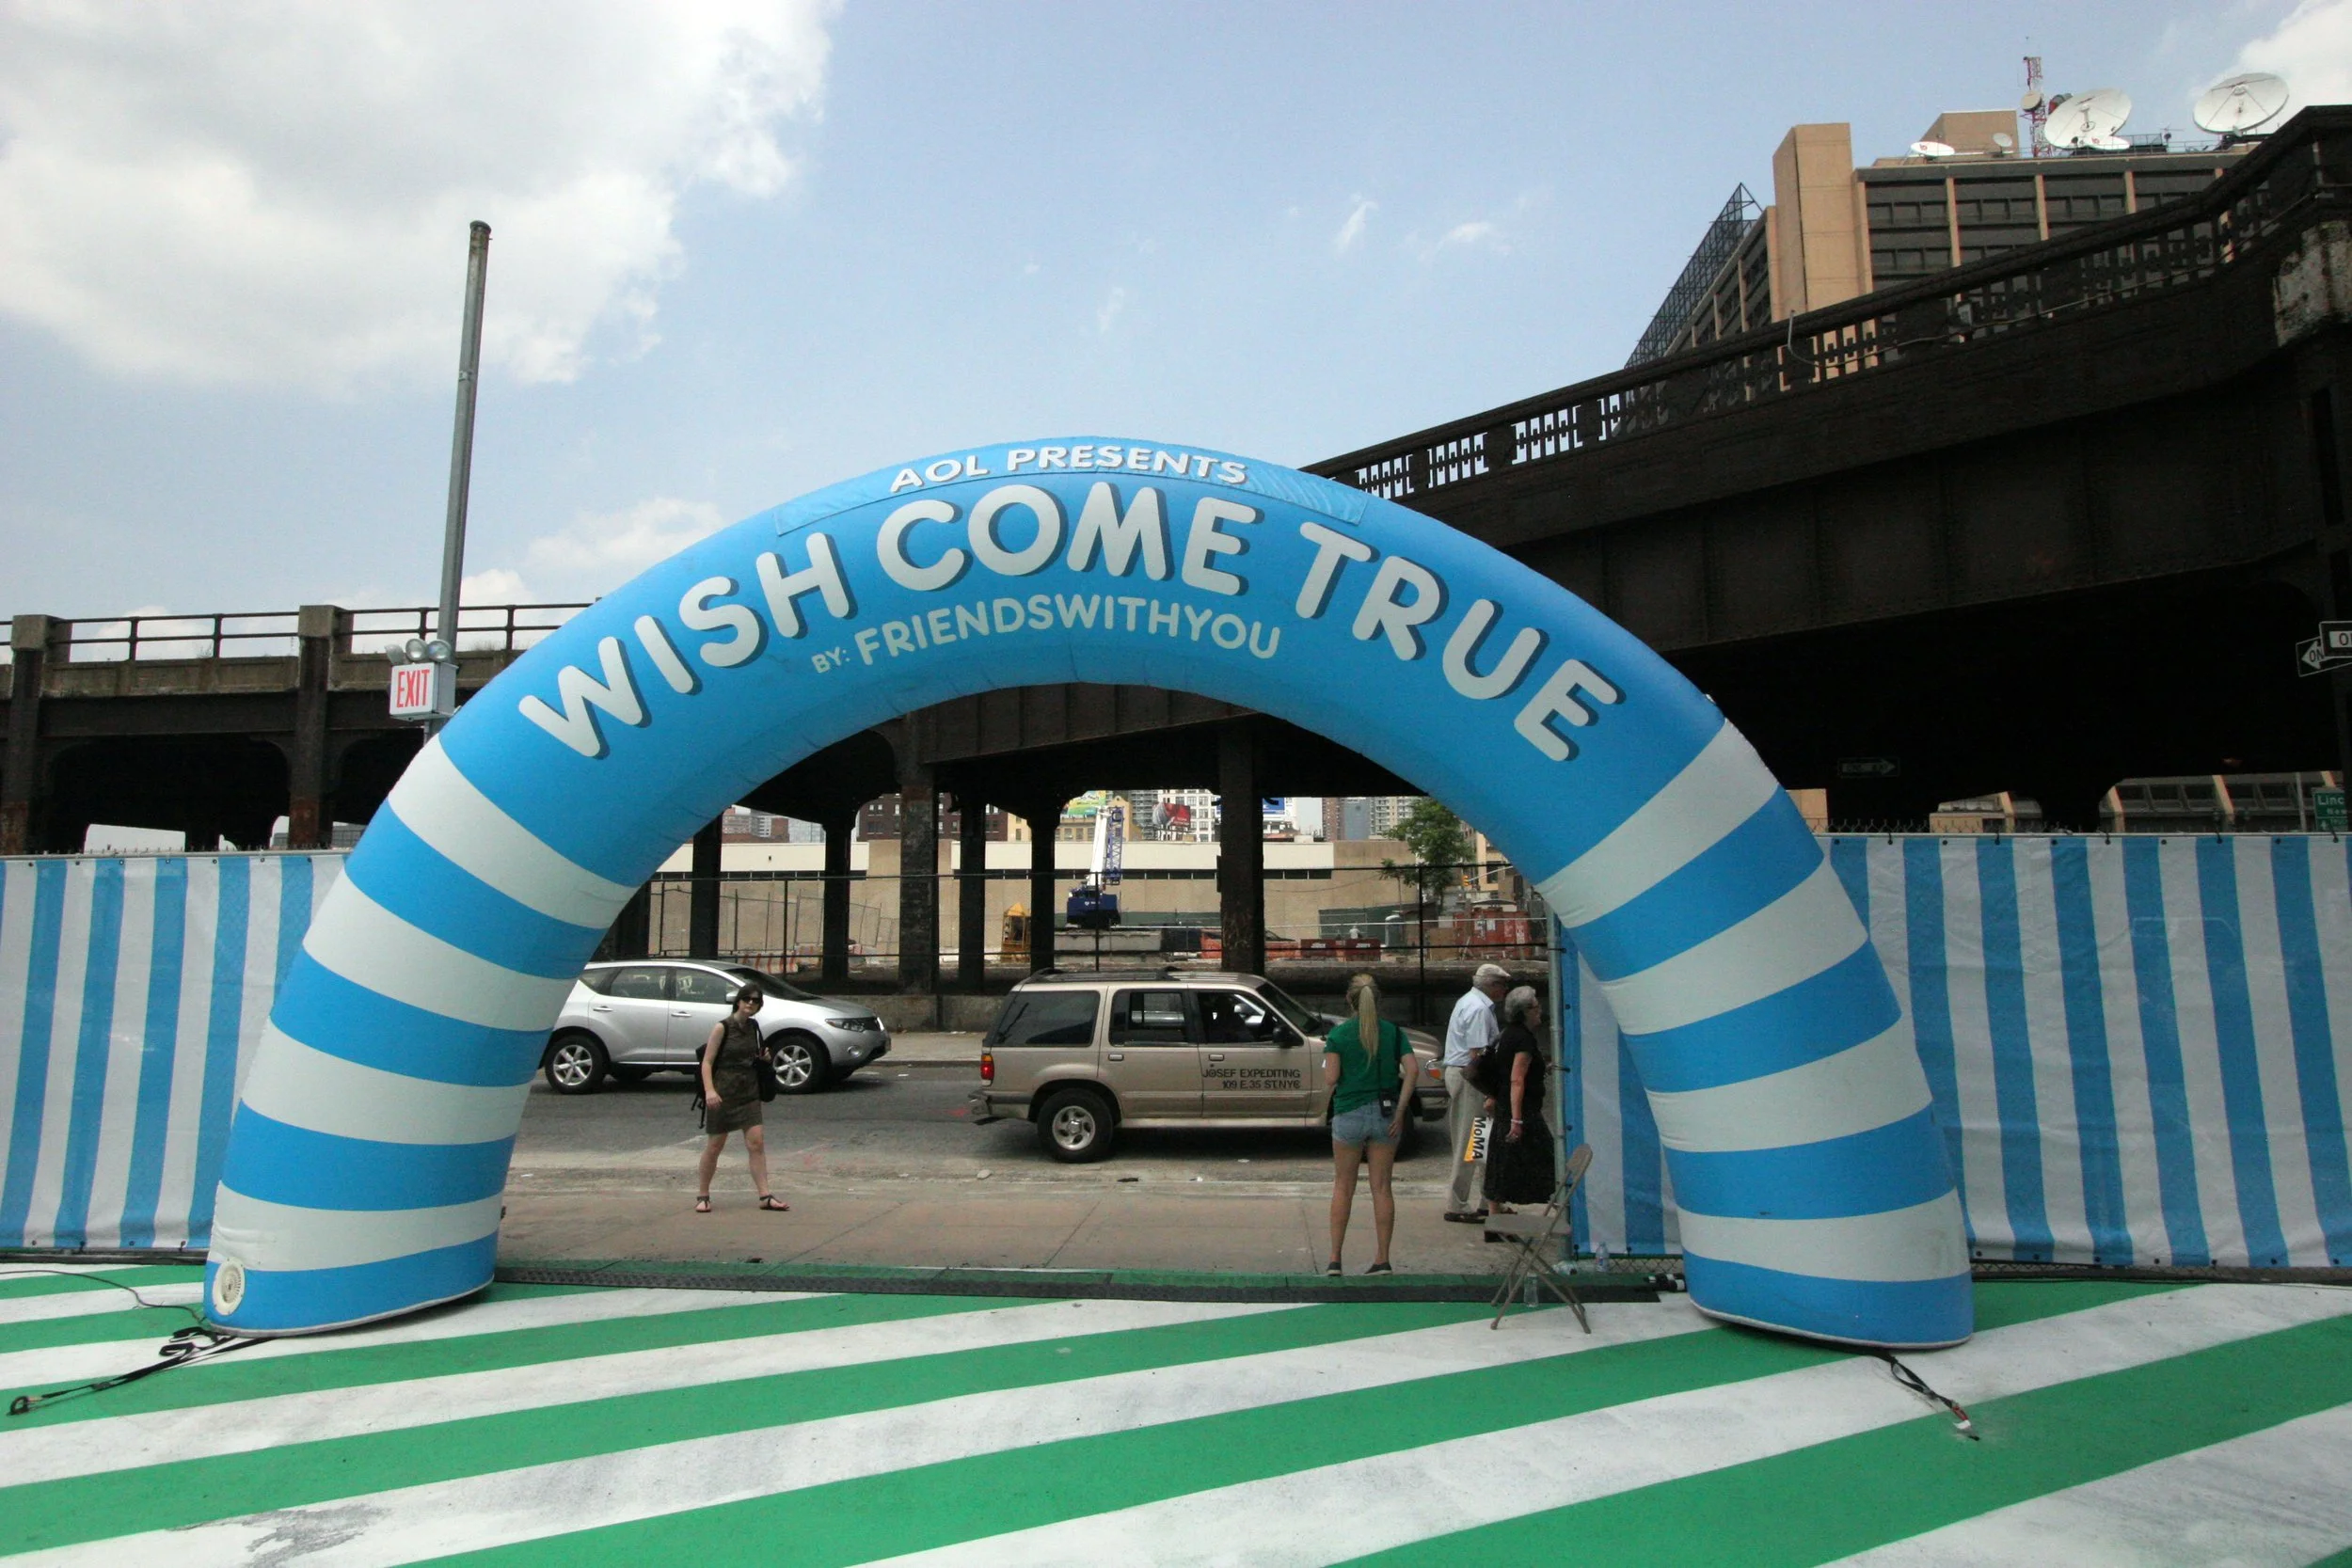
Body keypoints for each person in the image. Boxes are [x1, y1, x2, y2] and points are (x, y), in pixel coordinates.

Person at [1323, 972, 1415, 1275]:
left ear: (1348, 1000)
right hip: (1386, 1115)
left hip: (1349, 1113)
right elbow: (1412, 1070)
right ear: (1378, 1000)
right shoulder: (1393, 1032)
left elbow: (1331, 1078)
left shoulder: (1339, 1035)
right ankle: (1382, 1258)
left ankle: (1335, 1259)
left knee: (1343, 1186)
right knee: (1382, 1188)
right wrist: (1401, 1111)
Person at [695, 983, 787, 1213]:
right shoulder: (722, 1027)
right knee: (715, 1145)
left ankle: (765, 1195)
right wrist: (710, 1091)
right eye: (747, 999)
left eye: (756, 1001)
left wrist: (764, 1058)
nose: (751, 1004)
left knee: (756, 1143)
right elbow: (707, 1062)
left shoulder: (754, 1027)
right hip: (723, 1092)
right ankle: (703, 1195)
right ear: (738, 1001)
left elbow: (755, 1057)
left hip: (748, 1091)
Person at [1441, 962, 1510, 1222]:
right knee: (1470, 1140)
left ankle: (1484, 1201)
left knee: (1480, 1140)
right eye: (1502, 984)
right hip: (1472, 1080)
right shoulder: (1479, 1009)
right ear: (1491, 985)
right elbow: (1478, 1055)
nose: (1505, 990)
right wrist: (1491, 1090)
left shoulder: (1470, 1002)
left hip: (1466, 1077)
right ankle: (1457, 1204)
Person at [1483, 985, 1557, 1212]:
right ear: (1525, 1011)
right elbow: (1517, 1079)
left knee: (1500, 1160)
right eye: (1536, 1006)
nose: (1540, 1010)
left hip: (1506, 1105)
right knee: (1548, 1158)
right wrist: (1517, 1120)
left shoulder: (1508, 1034)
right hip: (1522, 1111)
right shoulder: (1524, 1040)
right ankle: (1562, 1204)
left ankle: (1494, 1213)